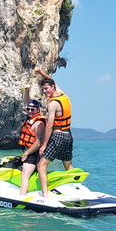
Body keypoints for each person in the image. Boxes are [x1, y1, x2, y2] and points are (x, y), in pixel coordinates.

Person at [35, 66, 73, 198]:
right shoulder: (63, 95)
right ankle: (76, 188)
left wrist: (44, 144)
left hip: (58, 136)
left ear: (53, 87)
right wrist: (40, 72)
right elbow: (51, 79)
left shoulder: (53, 104)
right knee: (68, 164)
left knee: (41, 165)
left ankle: (45, 195)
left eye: (46, 89)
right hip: (68, 135)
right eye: (43, 90)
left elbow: (49, 126)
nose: (45, 92)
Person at [18, 85, 46, 195]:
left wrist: (26, 153)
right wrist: (26, 90)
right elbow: (26, 103)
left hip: (33, 153)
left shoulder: (39, 123)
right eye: (28, 109)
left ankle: (22, 196)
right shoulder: (30, 117)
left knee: (25, 174)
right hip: (29, 151)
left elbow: (38, 142)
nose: (29, 111)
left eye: (32, 109)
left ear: (38, 110)